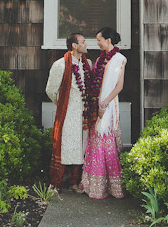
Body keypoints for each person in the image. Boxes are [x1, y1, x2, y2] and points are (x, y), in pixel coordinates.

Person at [80, 27, 126, 199]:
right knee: (95, 145)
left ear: (108, 40)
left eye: (99, 39)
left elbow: (119, 86)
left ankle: (113, 188)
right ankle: (94, 187)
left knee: (107, 145)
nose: (97, 42)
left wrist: (104, 104)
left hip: (108, 106)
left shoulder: (120, 59)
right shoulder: (100, 59)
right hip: (95, 106)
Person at [46, 32, 94, 192]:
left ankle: (74, 182)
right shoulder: (60, 65)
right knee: (65, 147)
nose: (86, 44)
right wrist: (63, 105)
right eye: (83, 42)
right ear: (74, 45)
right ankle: (56, 183)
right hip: (67, 115)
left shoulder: (87, 65)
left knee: (80, 148)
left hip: (83, 115)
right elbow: (51, 90)